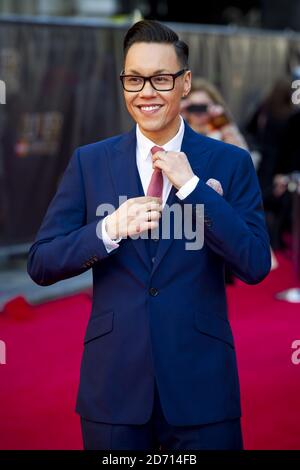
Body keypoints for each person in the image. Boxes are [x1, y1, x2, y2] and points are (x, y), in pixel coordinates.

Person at [27, 20, 271, 450]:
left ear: (184, 82)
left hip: (202, 388)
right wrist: (106, 230)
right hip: (114, 389)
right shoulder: (90, 162)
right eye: (134, 78)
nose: (146, 91)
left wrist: (195, 190)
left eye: (161, 78)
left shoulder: (229, 162)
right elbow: (41, 263)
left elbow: (254, 264)